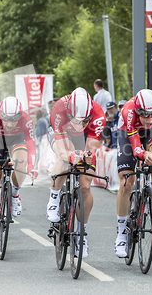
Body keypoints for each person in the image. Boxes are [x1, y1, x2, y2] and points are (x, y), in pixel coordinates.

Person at [46, 87, 106, 258]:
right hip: (62, 134)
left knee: (85, 186)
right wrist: (71, 155)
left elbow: (91, 148)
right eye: (76, 120)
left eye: (85, 120)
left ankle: (81, 234)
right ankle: (54, 199)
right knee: (64, 158)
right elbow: (63, 150)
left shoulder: (98, 114)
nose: (80, 124)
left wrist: (85, 157)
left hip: (84, 139)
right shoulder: (59, 109)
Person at [114, 89, 152, 258]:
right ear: (137, 110)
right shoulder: (128, 111)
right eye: (144, 115)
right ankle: (122, 232)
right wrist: (144, 155)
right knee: (126, 182)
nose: (149, 119)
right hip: (128, 135)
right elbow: (136, 146)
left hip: (151, 135)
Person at [0, 97, 37, 240]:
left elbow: (31, 148)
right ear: (1, 115)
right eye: (6, 119)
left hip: (16, 141)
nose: (10, 123)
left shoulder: (27, 120)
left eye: (14, 119)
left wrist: (30, 167)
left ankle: (15, 194)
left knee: (21, 165)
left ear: (20, 116)